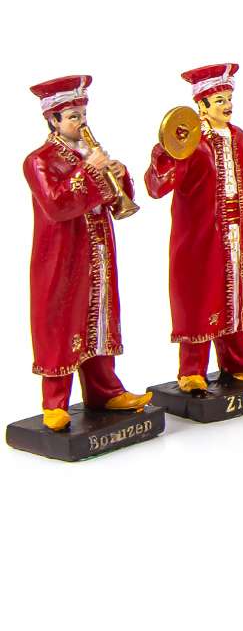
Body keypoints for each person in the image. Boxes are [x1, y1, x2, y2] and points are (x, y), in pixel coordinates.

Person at [145, 63, 243, 390]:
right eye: (219, 100)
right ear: (202, 104)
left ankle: (241, 360)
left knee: (236, 295)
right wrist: (169, 150)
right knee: (200, 297)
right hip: (201, 238)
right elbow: (157, 186)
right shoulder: (191, 142)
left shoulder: (238, 137)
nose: (227, 105)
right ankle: (191, 370)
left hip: (237, 233)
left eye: (229, 98)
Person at [24, 76, 152, 431]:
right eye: (73, 117)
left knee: (100, 319)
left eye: (82, 115)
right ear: (53, 120)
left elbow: (112, 201)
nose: (81, 123)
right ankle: (54, 403)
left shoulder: (87, 154)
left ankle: (105, 391)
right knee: (61, 322)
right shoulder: (38, 161)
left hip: (98, 252)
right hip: (62, 257)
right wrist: (89, 170)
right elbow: (57, 205)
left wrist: (119, 177)